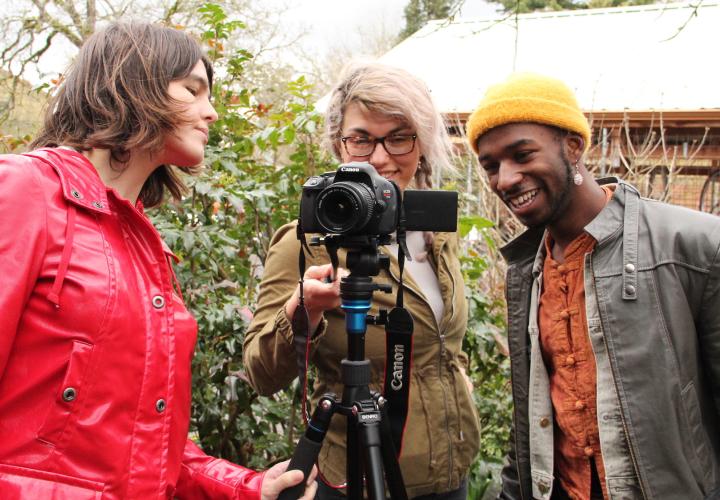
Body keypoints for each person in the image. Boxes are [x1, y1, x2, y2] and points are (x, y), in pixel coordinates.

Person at [0, 22, 317, 499]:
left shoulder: (147, 248)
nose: (210, 112)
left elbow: (150, 446)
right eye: (193, 90)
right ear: (132, 82)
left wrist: (249, 487)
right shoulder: (25, 190)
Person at [466, 72, 720, 500]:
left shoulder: (693, 246)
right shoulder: (525, 269)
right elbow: (531, 412)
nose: (506, 179)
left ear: (573, 146)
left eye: (522, 154)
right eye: (491, 166)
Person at [242, 61, 480, 499]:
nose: (380, 157)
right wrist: (304, 309)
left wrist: (453, 375)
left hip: (449, 473)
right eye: (362, 139)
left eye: (399, 137)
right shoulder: (308, 242)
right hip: (358, 479)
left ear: (422, 142)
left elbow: (446, 339)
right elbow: (260, 372)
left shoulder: (436, 229)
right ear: (339, 142)